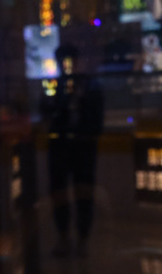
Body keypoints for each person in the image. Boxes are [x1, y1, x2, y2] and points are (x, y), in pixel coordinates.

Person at [41, 43, 104, 257]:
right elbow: (46, 111)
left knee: (82, 192)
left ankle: (80, 238)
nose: (65, 66)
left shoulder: (88, 85)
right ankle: (65, 236)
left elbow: (96, 117)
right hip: (62, 145)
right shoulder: (57, 85)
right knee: (61, 192)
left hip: (80, 145)